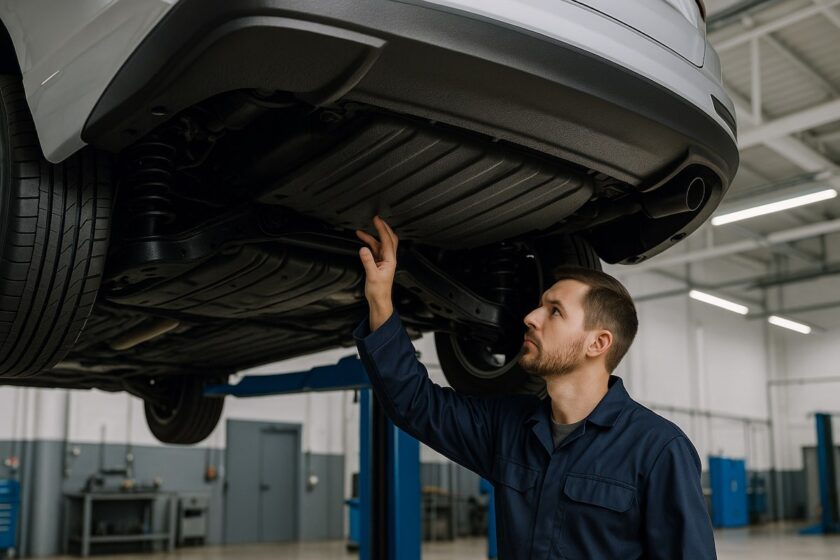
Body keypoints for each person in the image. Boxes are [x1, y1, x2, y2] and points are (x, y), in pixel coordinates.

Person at [353, 216, 716, 559]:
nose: (530, 317)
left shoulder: (657, 450)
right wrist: (381, 299)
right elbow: (416, 403)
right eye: (540, 306)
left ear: (597, 344)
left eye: (554, 311)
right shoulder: (509, 427)